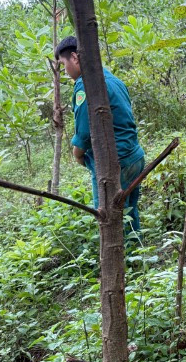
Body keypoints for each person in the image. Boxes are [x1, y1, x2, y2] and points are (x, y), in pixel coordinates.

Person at [54, 36, 145, 237]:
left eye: (63, 64)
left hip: (114, 163)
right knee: (130, 213)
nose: (65, 71)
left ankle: (122, 264)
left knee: (110, 219)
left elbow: (85, 132)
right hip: (135, 157)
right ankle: (138, 259)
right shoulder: (114, 79)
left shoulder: (85, 85)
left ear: (75, 57)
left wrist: (78, 154)